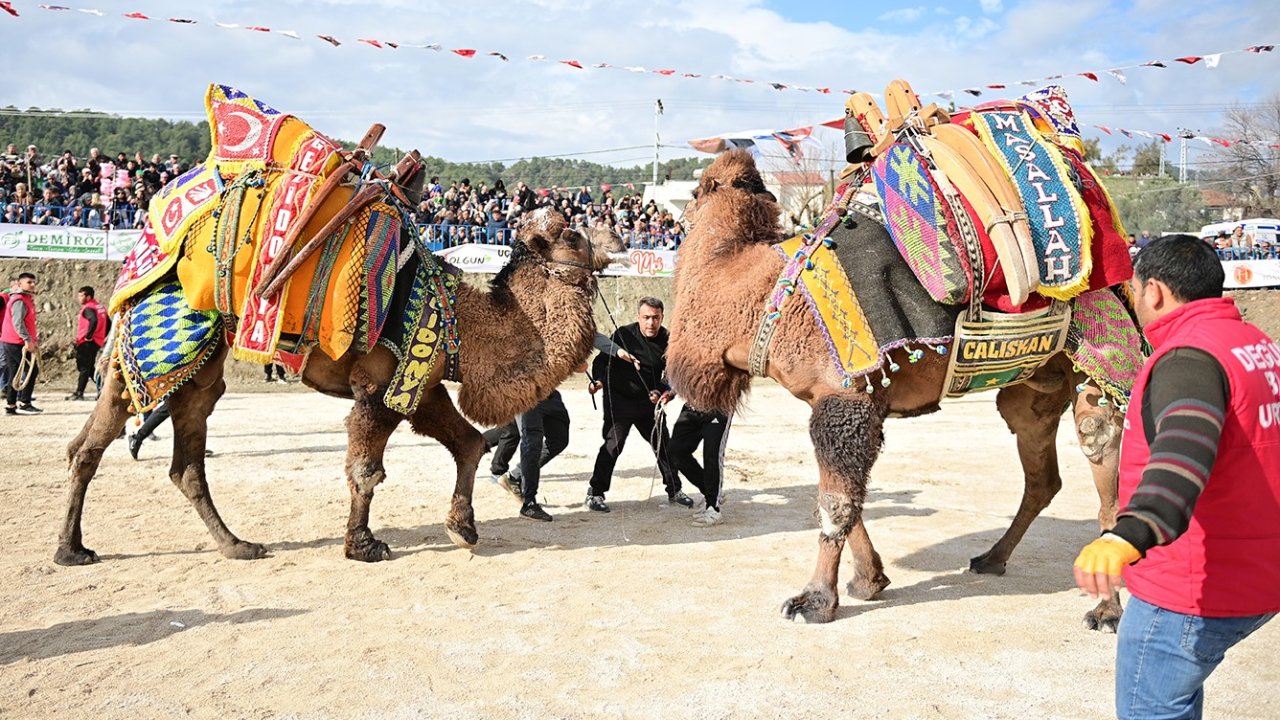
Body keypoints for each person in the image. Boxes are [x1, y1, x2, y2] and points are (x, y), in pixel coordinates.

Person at [1072, 234, 1280, 720]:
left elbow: (1183, 457)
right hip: (1258, 570)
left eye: (1134, 291)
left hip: (1188, 589)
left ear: (1155, 292)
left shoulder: (1188, 360)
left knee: (1154, 710)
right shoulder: (1256, 345)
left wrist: (1128, 534)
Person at [583, 297, 691, 512]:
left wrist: (661, 393)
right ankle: (595, 493)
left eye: (655, 318)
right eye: (646, 318)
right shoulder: (623, 334)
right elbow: (601, 361)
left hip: (648, 403)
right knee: (613, 445)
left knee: (664, 445)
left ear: (661, 317)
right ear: (638, 317)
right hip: (619, 400)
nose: (651, 323)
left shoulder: (668, 340)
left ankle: (674, 489)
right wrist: (598, 381)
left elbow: (671, 374)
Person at [668, 404, 732, 527]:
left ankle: (713, 509)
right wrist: (670, 393)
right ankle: (711, 492)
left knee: (711, 455)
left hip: (718, 409)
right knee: (675, 450)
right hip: (691, 408)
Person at [2, 272, 41, 415]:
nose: (32, 284)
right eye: (29, 282)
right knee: (31, 370)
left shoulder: (25, 298)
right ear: (20, 284)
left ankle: (11, 406)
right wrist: (27, 340)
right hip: (16, 342)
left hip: (11, 341)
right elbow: (18, 323)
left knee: (14, 373)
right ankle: (25, 403)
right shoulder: (19, 300)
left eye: (33, 282)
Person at [67, 286, 107, 401]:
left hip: (87, 342)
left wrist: (88, 336)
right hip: (96, 341)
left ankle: (79, 393)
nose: (79, 298)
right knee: (89, 368)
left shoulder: (89, 308)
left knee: (84, 367)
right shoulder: (100, 307)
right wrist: (103, 335)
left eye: (81, 295)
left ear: (88, 297)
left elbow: (93, 320)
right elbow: (108, 322)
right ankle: (103, 388)